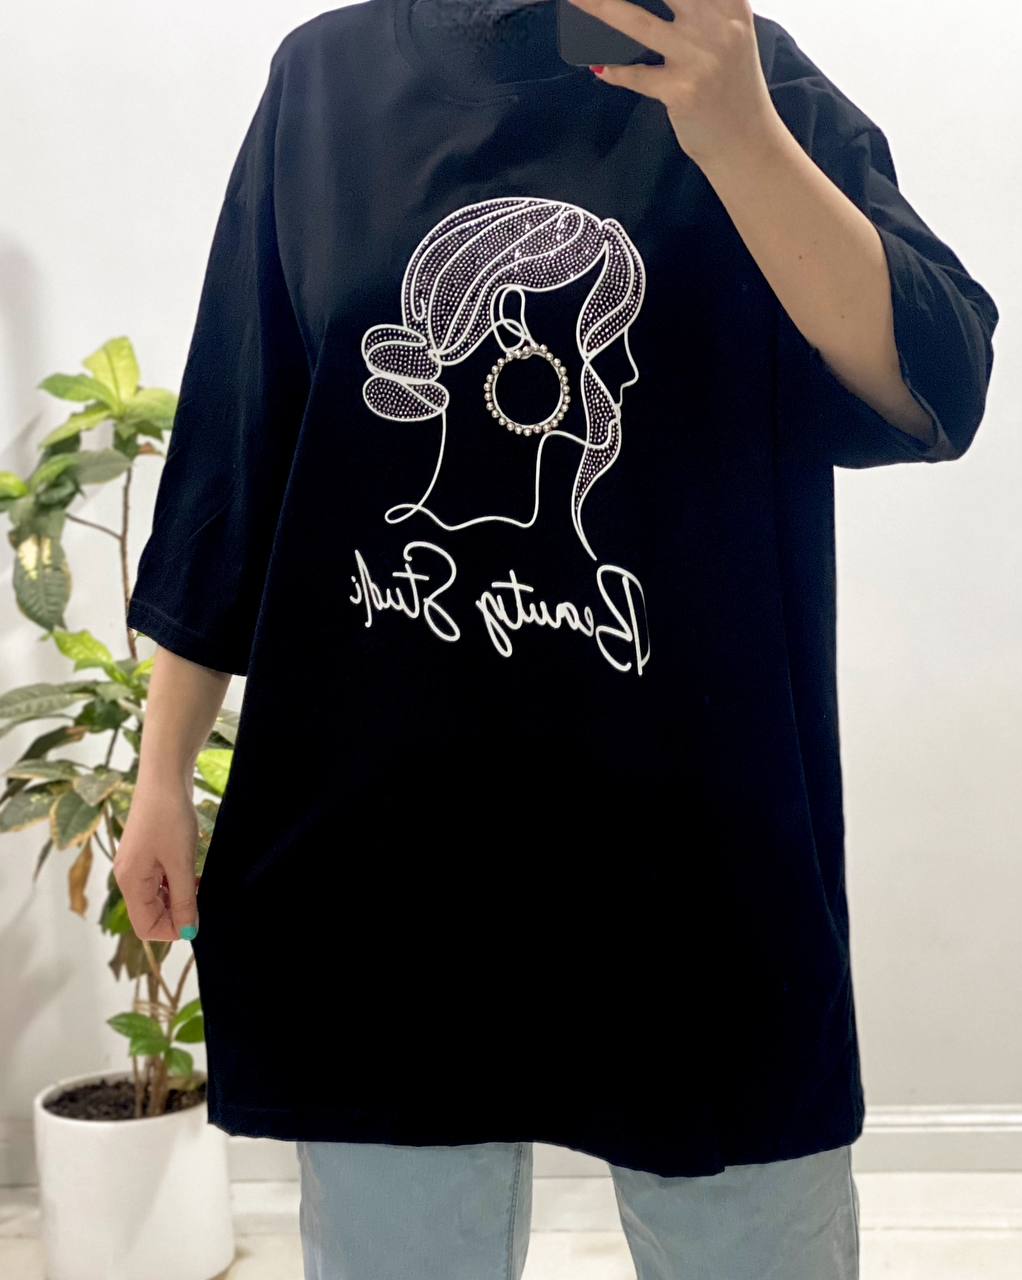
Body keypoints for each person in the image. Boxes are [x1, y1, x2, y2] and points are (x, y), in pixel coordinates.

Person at [113, 0, 998, 1276]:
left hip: (697, 874)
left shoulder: (739, 71)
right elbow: (234, 447)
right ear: (487, 359)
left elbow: (935, 382)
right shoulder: (323, 85)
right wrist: (160, 773)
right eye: (576, 346)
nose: (609, 379)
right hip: (384, 870)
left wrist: (739, 134)